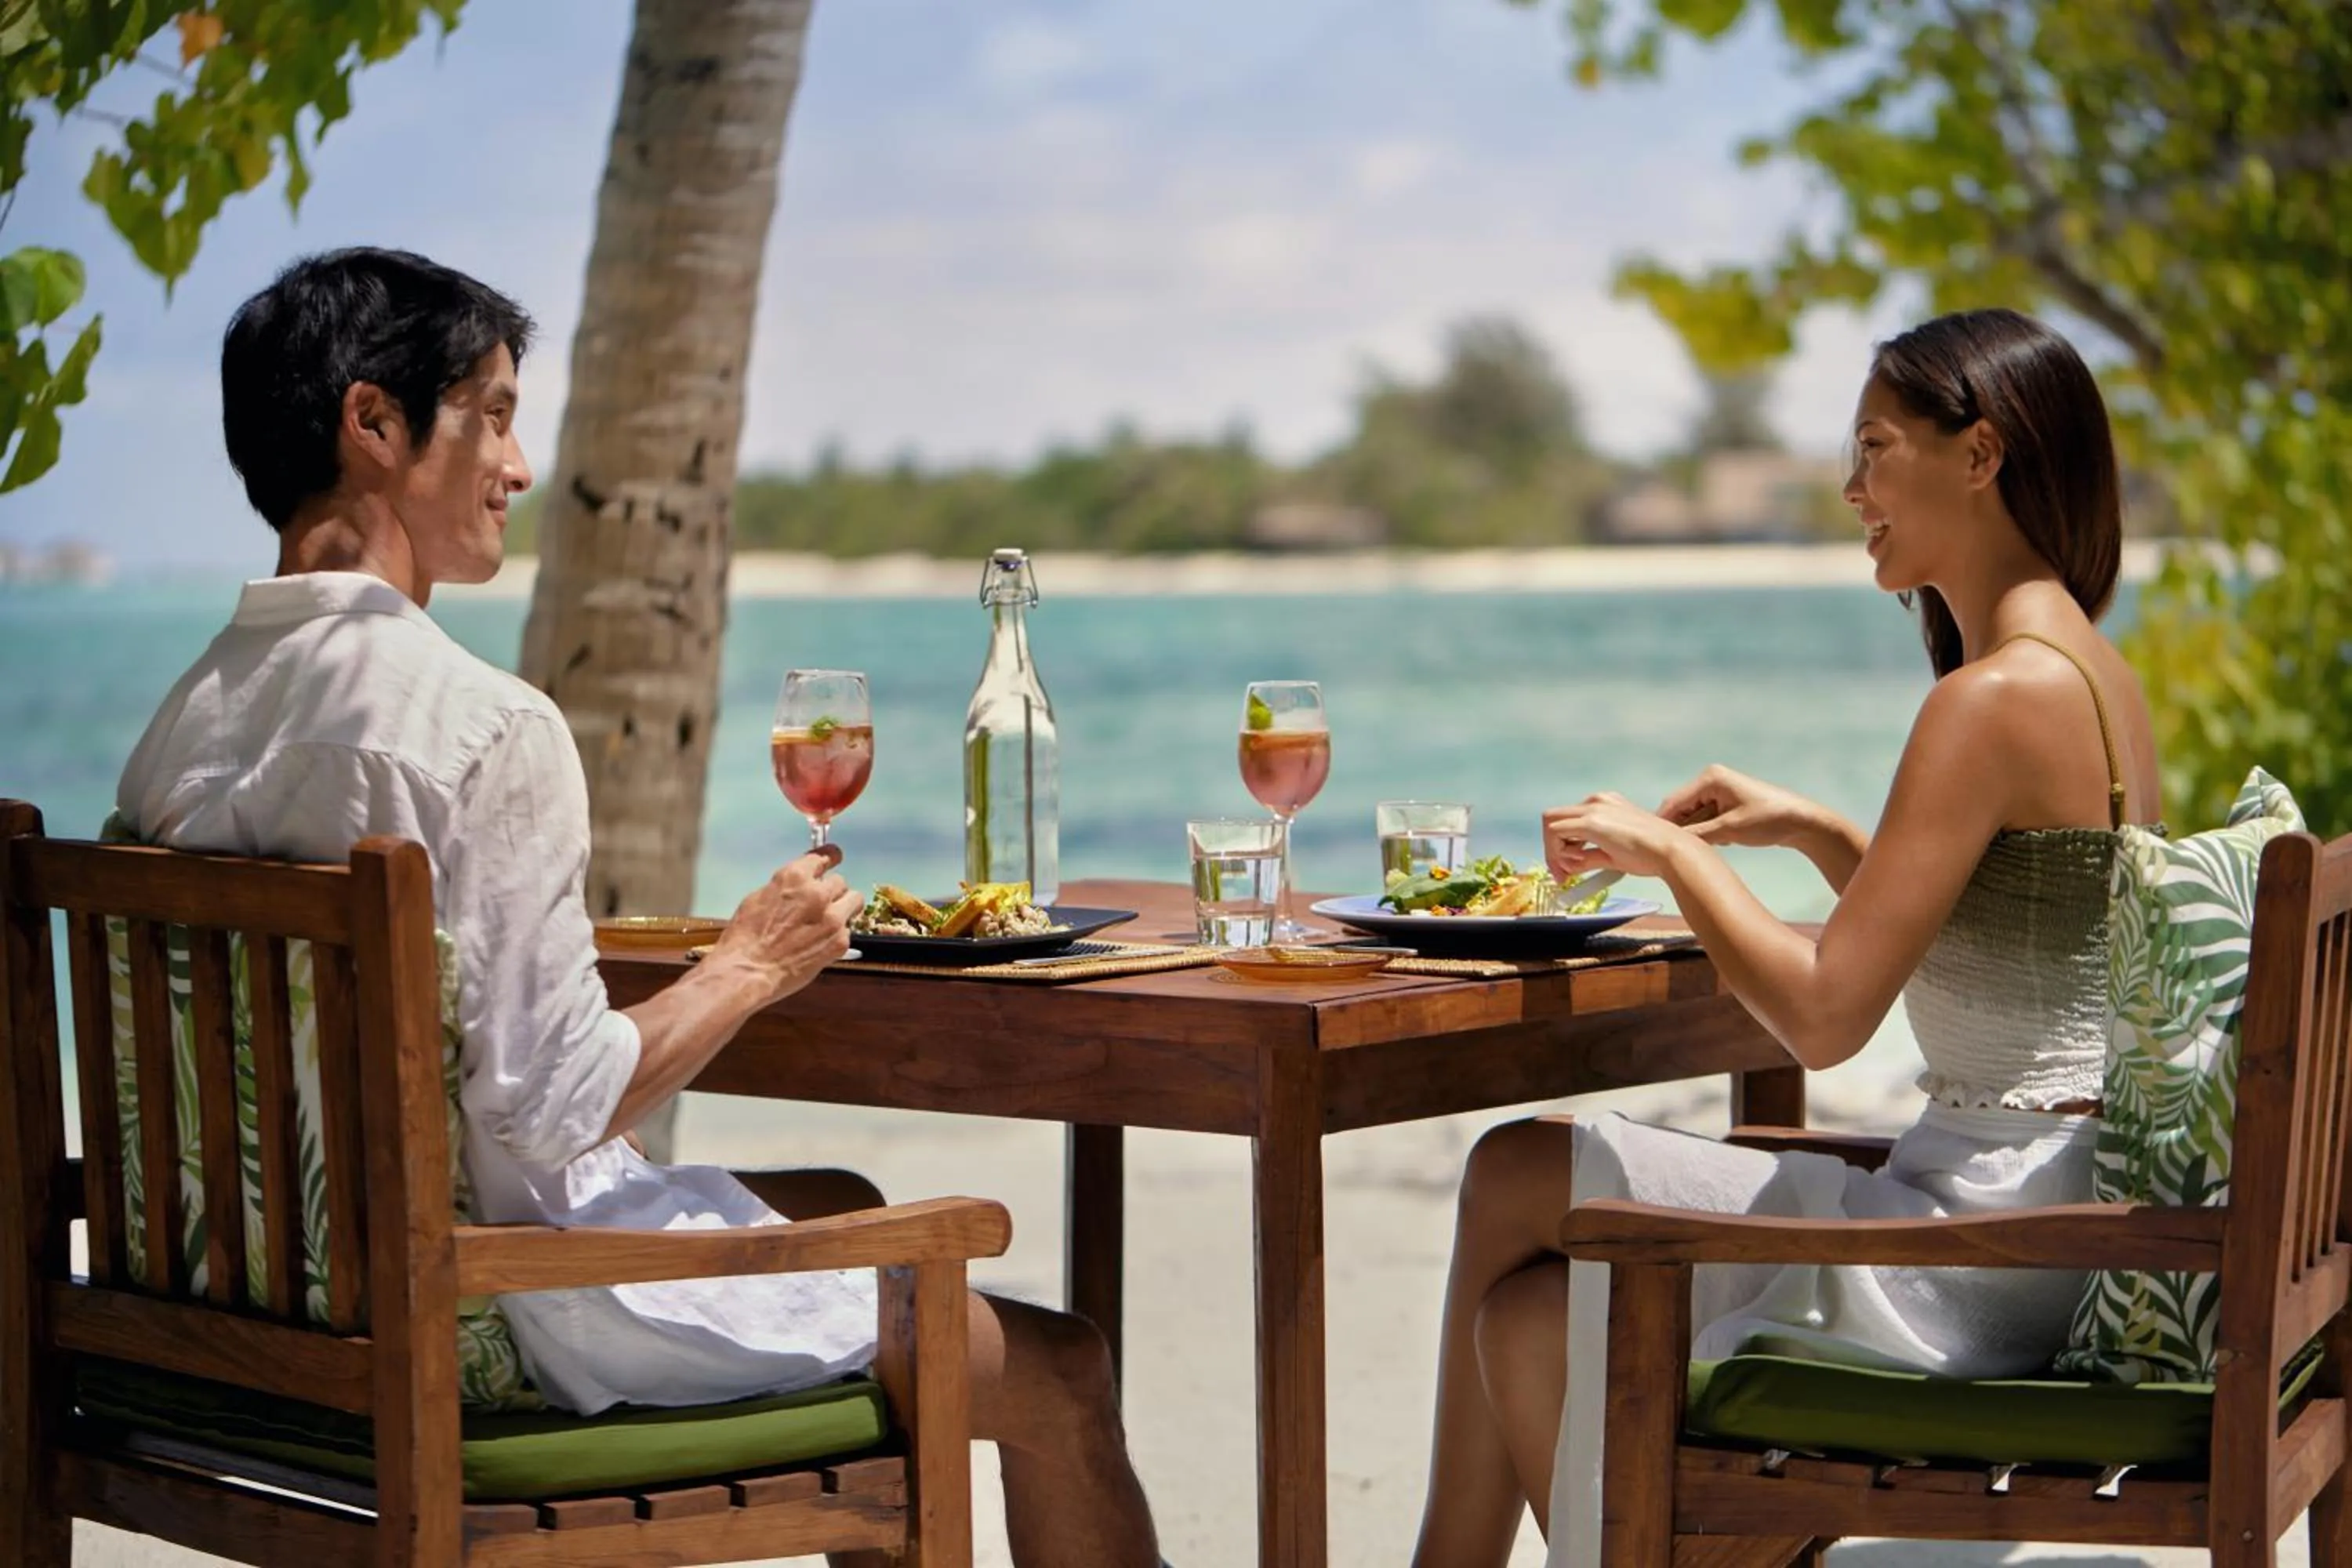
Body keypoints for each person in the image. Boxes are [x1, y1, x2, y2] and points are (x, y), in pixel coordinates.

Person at [114, 247, 1159, 1568]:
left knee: (836, 1194)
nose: (516, 463)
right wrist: (747, 967)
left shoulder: (179, 735)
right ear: (373, 424)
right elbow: (547, 1110)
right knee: (1057, 1365)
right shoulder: (482, 729)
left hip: (249, 1321)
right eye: (491, 412)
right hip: (482, 1326)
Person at [1408, 308, 2156, 1568]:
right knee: (1530, 1320)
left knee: (1511, 1174)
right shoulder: (2090, 674)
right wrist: (1816, 832)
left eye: (1875, 448)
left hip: (1981, 1244)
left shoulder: (1990, 699)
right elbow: (2022, 965)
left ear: (1982, 455)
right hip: (2043, 1204)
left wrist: (1675, 855)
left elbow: (1824, 1017)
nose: (1851, 487)